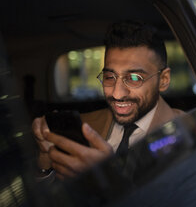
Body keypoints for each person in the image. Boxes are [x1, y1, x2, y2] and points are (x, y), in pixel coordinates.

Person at [32, 21, 183, 180]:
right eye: (109, 77)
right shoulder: (84, 125)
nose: (117, 94)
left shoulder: (188, 132)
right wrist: (45, 161)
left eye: (134, 78)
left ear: (163, 80)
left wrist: (107, 179)